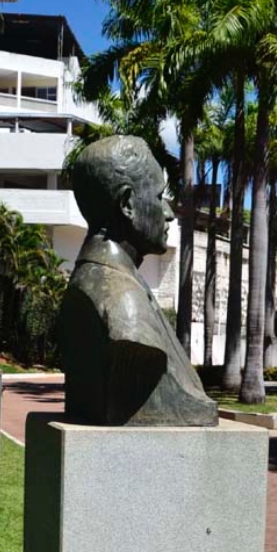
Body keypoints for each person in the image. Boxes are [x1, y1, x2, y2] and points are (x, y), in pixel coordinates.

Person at [58, 135, 218, 427]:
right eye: (158, 197)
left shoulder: (106, 283)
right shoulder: (123, 304)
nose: (168, 213)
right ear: (127, 203)